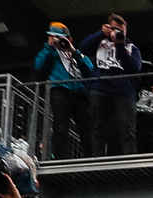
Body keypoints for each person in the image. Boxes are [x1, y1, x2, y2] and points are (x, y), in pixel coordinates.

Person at [34, 23, 96, 161]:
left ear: (69, 39)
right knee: (60, 127)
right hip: (60, 90)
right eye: (53, 37)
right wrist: (49, 47)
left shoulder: (76, 53)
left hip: (80, 93)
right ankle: (61, 159)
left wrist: (74, 51)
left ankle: (90, 158)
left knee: (86, 127)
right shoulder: (50, 53)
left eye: (60, 38)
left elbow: (90, 70)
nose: (57, 40)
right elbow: (38, 66)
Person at [80, 15, 141, 156]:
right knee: (97, 127)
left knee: (127, 129)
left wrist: (119, 46)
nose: (118, 33)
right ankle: (97, 159)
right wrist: (101, 33)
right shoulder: (100, 41)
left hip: (124, 91)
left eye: (121, 30)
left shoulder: (132, 47)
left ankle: (129, 160)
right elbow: (83, 48)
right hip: (100, 88)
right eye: (115, 29)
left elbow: (134, 69)